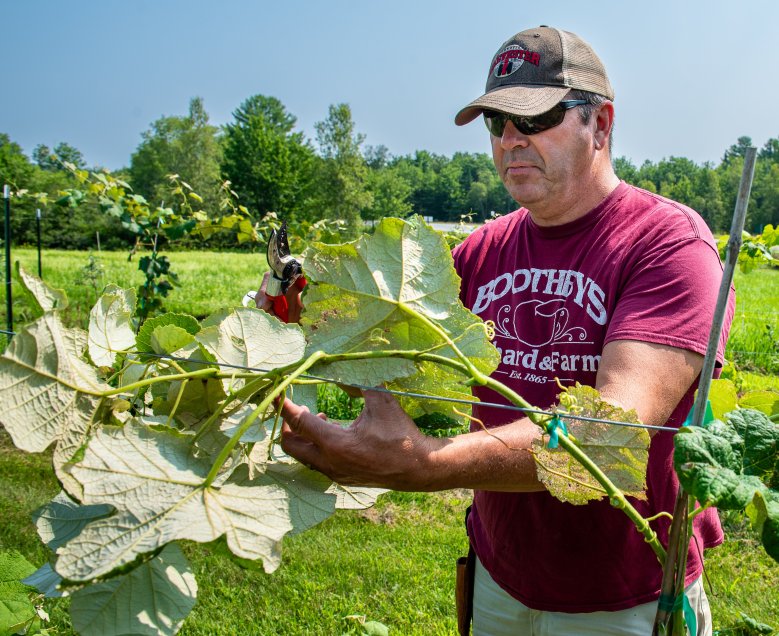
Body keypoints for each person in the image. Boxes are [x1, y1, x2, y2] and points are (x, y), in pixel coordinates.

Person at [263, 25, 734, 636]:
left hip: (628, 595)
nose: (511, 139)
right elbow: (390, 360)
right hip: (501, 576)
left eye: (536, 118)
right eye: (497, 122)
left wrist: (427, 464)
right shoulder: (480, 251)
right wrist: (303, 318)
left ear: (601, 124)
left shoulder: (668, 244)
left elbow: (609, 432)